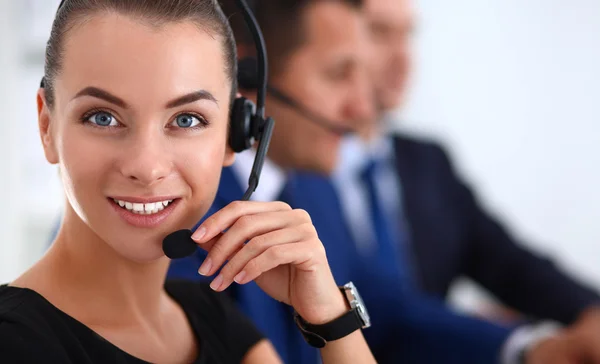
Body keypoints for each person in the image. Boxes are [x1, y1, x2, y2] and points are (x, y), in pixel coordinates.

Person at [167, 1, 571, 364]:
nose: (363, 108)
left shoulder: (312, 188)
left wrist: (531, 349)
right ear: (247, 74)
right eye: (339, 74)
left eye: (364, 76)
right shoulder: (181, 206)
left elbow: (383, 309)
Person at [0, 1, 377, 363]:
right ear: (47, 127)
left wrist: (331, 318)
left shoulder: (208, 317)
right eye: (102, 117)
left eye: (186, 120)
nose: (146, 167)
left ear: (235, 135)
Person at [328, 0, 600, 362]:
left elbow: (511, 265)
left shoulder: (427, 162)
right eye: (379, 33)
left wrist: (590, 313)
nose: (403, 58)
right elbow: (382, 310)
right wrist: (529, 346)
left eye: (408, 35)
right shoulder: (291, 166)